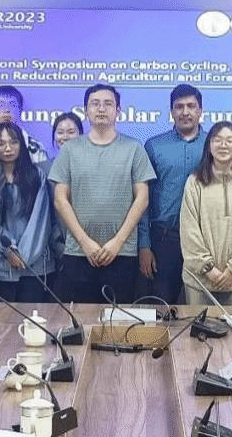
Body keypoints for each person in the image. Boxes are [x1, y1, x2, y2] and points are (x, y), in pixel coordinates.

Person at [48, 84, 156, 304]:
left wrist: (118, 242)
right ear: (85, 110)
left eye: (108, 104)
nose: (101, 109)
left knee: (118, 320)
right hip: (78, 252)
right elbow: (60, 199)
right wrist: (85, 242)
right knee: (79, 319)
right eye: (95, 104)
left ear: (118, 110)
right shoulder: (70, 150)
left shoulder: (134, 148)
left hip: (121, 252)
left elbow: (142, 198)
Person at [180, 122, 232, 306]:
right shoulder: (195, 182)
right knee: (197, 325)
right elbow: (189, 230)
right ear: (209, 146)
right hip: (199, 281)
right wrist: (207, 268)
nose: (223, 145)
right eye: (217, 140)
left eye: (229, 141)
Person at [138, 84, 207, 304]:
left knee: (202, 308)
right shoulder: (154, 146)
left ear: (200, 111)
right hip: (164, 240)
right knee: (160, 308)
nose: (185, 112)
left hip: (205, 241)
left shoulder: (213, 145)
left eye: (191, 106)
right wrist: (144, 245)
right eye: (179, 107)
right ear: (171, 112)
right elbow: (143, 199)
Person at [0, 122, 57, 302]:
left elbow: (41, 220)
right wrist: (7, 249)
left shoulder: (37, 175)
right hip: (2, 264)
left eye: (13, 142)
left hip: (36, 264)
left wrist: (23, 254)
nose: (8, 148)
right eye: (1, 144)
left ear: (22, 144)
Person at [40, 112, 83, 264]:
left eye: (71, 132)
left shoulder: (91, 167)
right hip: (56, 250)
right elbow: (45, 214)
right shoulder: (44, 169)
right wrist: (58, 246)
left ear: (81, 135)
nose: (65, 137)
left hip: (89, 245)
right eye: (60, 132)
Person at [0, 85, 49, 164]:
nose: (6, 110)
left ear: (20, 111)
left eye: (12, 105)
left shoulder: (35, 148)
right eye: (1, 105)